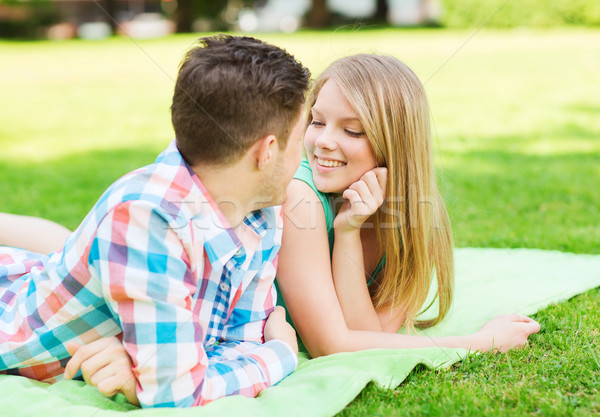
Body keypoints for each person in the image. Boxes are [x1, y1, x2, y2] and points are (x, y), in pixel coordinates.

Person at [1, 53, 540, 406]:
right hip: (54, 302)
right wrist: (475, 343)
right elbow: (326, 345)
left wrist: (351, 233)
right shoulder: (284, 198)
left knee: (67, 249)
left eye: (350, 130)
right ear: (271, 148)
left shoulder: (267, 210)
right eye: (313, 123)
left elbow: (366, 327)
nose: (320, 143)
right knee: (71, 249)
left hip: (155, 275)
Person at [0, 34, 311, 408]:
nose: (305, 153)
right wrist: (280, 354)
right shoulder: (146, 218)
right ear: (267, 151)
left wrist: (152, 370)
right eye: (300, 139)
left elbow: (237, 343)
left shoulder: (261, 209)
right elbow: (177, 393)